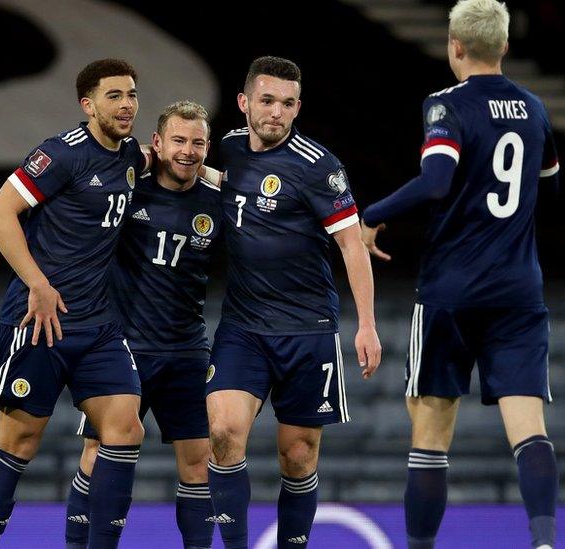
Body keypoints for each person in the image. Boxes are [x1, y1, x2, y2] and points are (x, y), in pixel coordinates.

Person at [360, 1, 562, 548]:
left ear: (454, 46)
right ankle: (544, 541)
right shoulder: (536, 109)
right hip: (518, 291)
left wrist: (369, 216)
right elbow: (550, 186)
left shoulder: (445, 106)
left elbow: (436, 180)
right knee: (530, 432)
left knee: (429, 436)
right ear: (504, 47)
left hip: (451, 289)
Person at [205, 56, 382, 549]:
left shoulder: (319, 167)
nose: (276, 112)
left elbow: (351, 245)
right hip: (242, 327)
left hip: (307, 328)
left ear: (298, 107)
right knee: (222, 433)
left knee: (298, 455)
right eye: (266, 101)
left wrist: (365, 324)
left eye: (287, 104)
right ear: (244, 103)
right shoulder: (231, 149)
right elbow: (228, 188)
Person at [0, 58, 150, 549]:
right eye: (113, 95)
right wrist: (38, 283)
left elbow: (173, 162)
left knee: (125, 430)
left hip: (98, 326)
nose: (126, 104)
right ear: (87, 104)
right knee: (19, 443)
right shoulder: (61, 154)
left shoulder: (132, 156)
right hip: (39, 321)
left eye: (131, 94)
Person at [63, 100, 222, 549]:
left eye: (197, 142)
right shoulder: (128, 191)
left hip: (187, 352)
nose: (187, 151)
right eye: (177, 140)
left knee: (198, 465)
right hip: (122, 350)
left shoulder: (218, 205)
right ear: (157, 143)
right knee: (98, 454)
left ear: (208, 147)